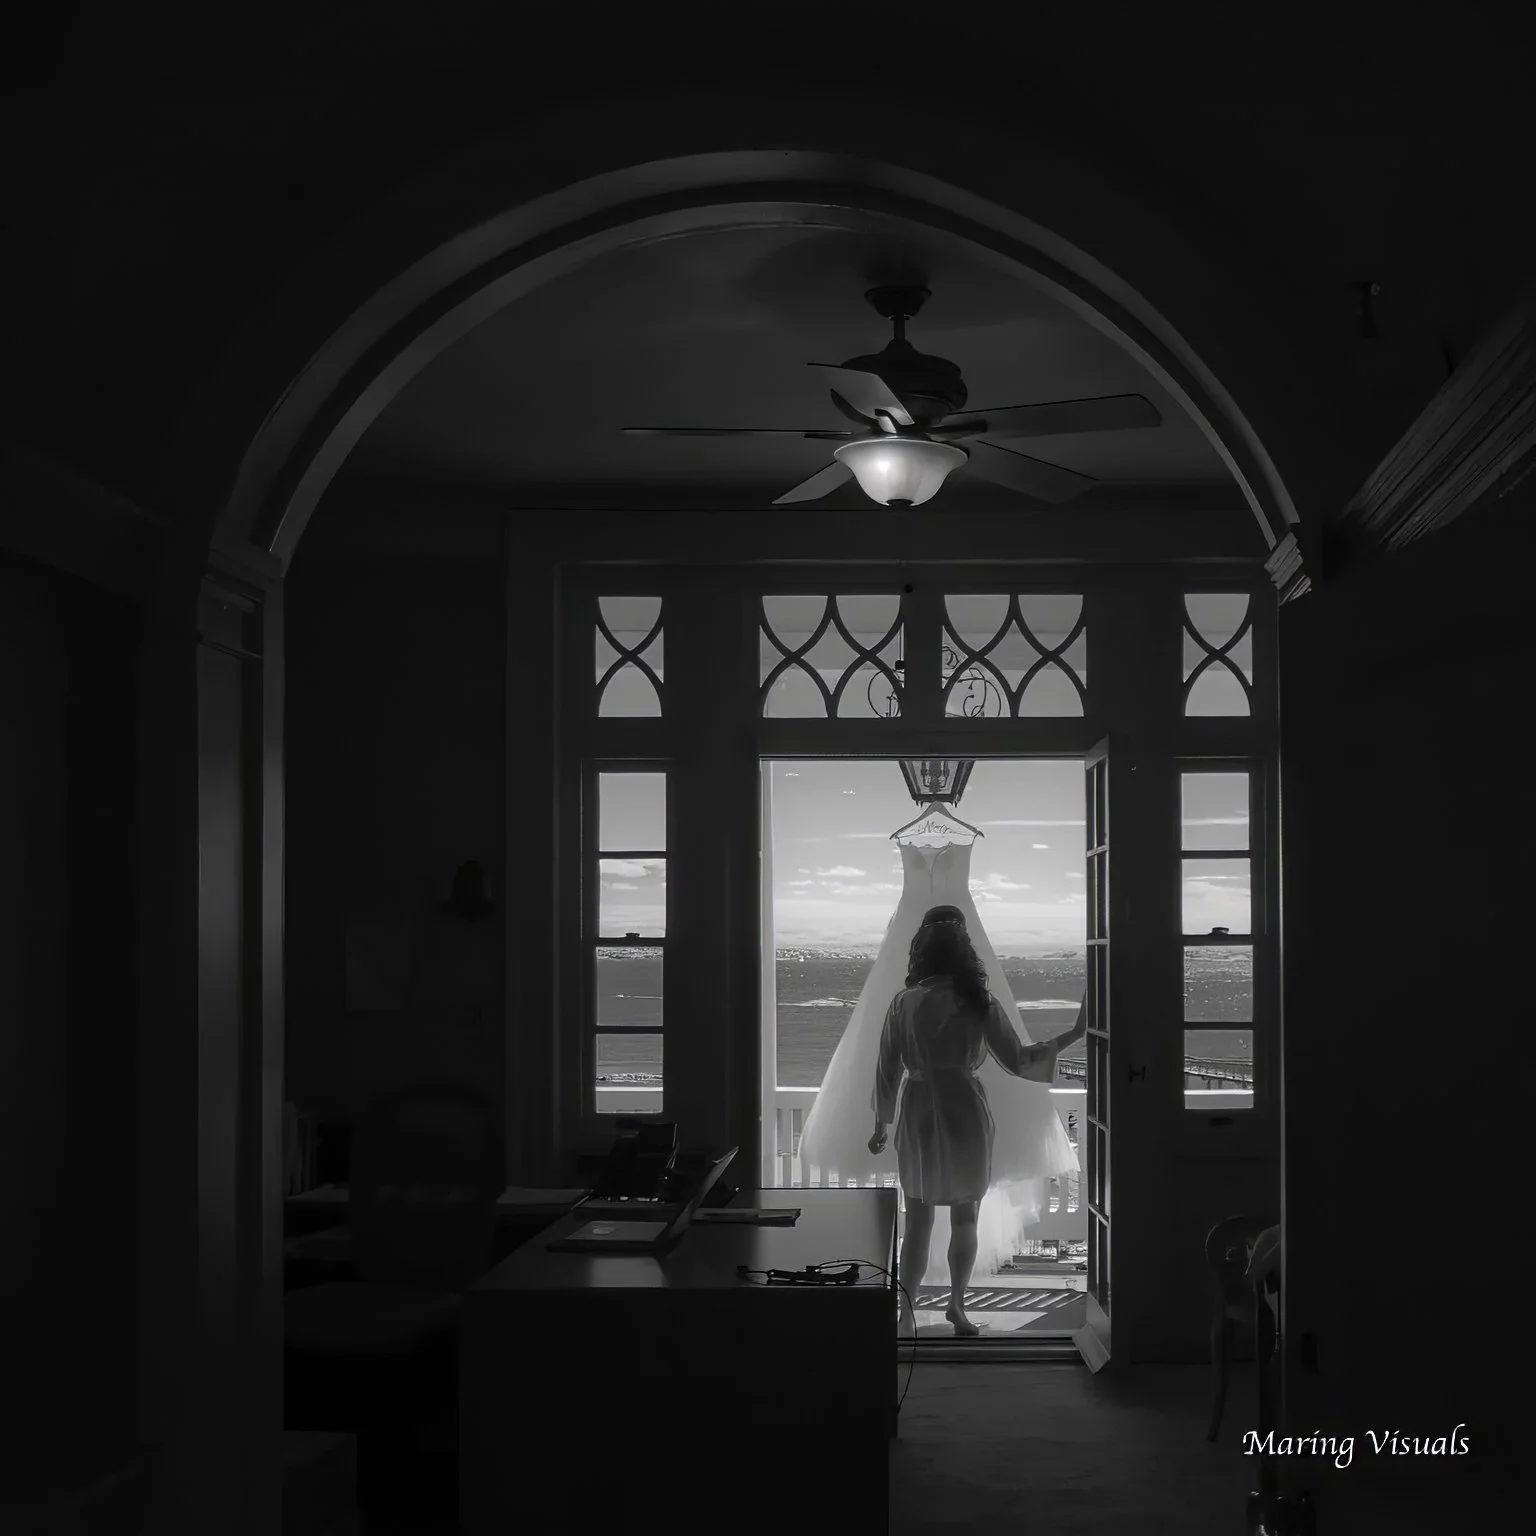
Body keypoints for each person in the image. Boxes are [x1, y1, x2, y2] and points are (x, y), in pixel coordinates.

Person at [869, 906, 1088, 1336]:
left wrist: (882, 1123)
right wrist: (1075, 1033)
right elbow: (1020, 1060)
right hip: (964, 1108)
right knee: (965, 1215)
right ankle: (956, 1307)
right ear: (965, 950)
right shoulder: (979, 1002)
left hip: (917, 1109)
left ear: (921, 950)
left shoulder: (903, 1004)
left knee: (918, 1218)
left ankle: (906, 1313)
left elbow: (887, 1069)